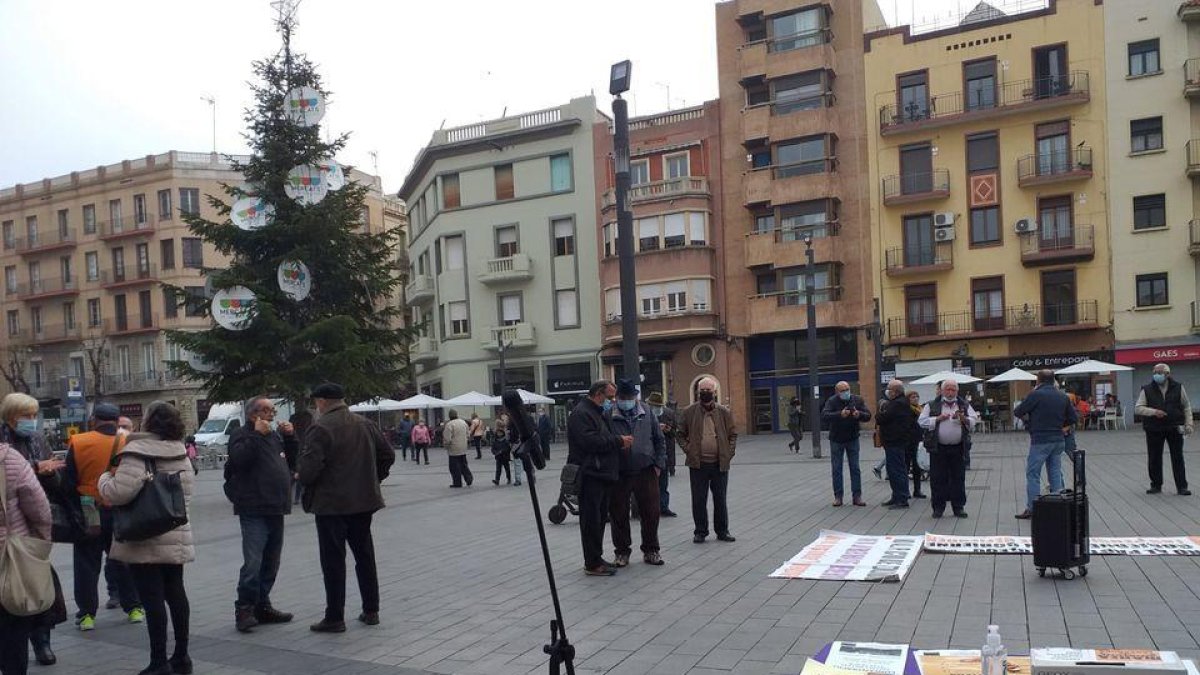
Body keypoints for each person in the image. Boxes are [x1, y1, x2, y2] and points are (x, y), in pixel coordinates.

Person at [98, 401, 195, 675]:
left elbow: (118, 493)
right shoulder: (181, 453)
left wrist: (104, 479)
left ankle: (158, 661)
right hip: (174, 531)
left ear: (148, 422)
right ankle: (182, 657)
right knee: (176, 593)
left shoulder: (137, 452)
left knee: (152, 599)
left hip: (144, 534)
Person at [297, 383, 395, 633]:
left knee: (333, 561)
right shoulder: (365, 424)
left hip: (331, 504)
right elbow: (387, 455)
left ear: (321, 402)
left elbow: (308, 471)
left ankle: (335, 616)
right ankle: (371, 610)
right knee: (365, 556)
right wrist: (373, 479)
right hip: (362, 502)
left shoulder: (320, 427)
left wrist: (303, 477)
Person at [64, 402, 143, 631]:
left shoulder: (79, 442)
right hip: (119, 509)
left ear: (94, 420)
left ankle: (87, 615)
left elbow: (68, 482)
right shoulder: (129, 442)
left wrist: (74, 510)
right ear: (117, 421)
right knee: (123, 559)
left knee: (86, 564)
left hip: (89, 509)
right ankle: (134, 608)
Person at [0, 393, 65, 666]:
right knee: (13, 595)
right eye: (26, 415)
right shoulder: (5, 447)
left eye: (34, 415)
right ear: (11, 417)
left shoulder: (38, 439)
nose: (31, 420)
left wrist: (49, 473)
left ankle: (42, 642)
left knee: (36, 588)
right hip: (16, 536)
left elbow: (54, 485)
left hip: (27, 539)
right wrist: (36, 467)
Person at [224, 397, 298, 632]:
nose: (272, 414)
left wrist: (290, 437)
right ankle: (244, 608)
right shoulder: (241, 434)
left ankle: (262, 605)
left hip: (276, 506)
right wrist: (256, 435)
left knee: (271, 561)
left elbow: (292, 462)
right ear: (252, 414)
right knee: (253, 562)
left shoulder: (274, 436)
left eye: (272, 410)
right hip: (253, 506)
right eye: (266, 410)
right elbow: (239, 460)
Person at [0, 437, 52, 675]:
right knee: (13, 628)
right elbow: (39, 509)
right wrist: (39, 543)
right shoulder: (10, 459)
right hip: (10, 557)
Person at [567, 380, 629, 576]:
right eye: (610, 397)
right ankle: (592, 563)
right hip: (590, 475)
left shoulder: (597, 412)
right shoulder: (581, 413)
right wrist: (618, 441)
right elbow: (590, 441)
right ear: (598, 394)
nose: (612, 401)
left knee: (600, 519)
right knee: (591, 521)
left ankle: (596, 557)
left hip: (601, 474)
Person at [607, 380, 667, 567]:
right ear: (617, 398)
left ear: (635, 397)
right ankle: (622, 552)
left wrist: (658, 464)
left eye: (630, 397)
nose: (626, 401)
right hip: (620, 472)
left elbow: (659, 439)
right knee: (618, 513)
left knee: (651, 512)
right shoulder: (608, 415)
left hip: (646, 470)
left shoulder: (647, 412)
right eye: (623, 397)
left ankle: (651, 550)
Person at [678, 378, 737, 543]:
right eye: (702, 390)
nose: (705, 393)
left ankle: (722, 531)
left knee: (720, 499)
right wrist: (688, 449)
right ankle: (700, 531)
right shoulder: (689, 412)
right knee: (698, 499)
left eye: (708, 390)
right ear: (698, 392)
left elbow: (733, 434)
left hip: (719, 463)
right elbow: (680, 434)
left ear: (714, 392)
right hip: (698, 464)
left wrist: (729, 452)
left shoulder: (723, 412)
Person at [1013, 370, 1077, 519]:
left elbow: (1018, 411)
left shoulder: (1036, 395)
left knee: (1033, 474)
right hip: (1058, 439)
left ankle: (1033, 509)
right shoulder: (1063, 396)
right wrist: (1061, 427)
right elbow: (1073, 418)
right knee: (1055, 473)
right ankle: (1059, 507)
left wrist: (1029, 421)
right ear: (1053, 380)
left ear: (1038, 380)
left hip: (1040, 439)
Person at [918, 380, 979, 518]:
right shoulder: (931, 404)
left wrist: (963, 418)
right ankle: (938, 508)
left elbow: (974, 421)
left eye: (953, 390)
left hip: (958, 447)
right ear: (942, 390)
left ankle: (958, 507)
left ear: (957, 391)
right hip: (938, 448)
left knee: (958, 478)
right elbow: (921, 421)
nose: (950, 393)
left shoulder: (963, 404)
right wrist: (937, 419)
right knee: (938, 478)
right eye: (948, 389)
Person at [1136, 363, 1193, 496]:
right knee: (1154, 457)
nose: (1157, 375)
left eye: (1160, 373)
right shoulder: (1146, 389)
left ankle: (1182, 486)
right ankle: (1156, 485)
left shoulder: (1178, 387)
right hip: (1154, 428)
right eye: (1155, 372)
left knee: (1177, 457)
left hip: (1174, 426)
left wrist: (1189, 423)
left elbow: (1186, 406)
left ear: (1167, 374)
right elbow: (1138, 408)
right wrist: (1154, 412)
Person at [821, 382, 871, 507]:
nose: (846, 392)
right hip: (836, 439)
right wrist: (839, 414)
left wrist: (859, 414)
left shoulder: (857, 400)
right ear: (837, 392)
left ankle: (857, 496)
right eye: (842, 390)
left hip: (852, 438)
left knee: (855, 468)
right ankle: (838, 497)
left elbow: (868, 415)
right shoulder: (832, 401)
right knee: (837, 469)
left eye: (847, 389)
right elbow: (825, 415)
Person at [875, 379, 916, 510]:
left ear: (895, 391)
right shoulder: (900, 402)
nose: (887, 391)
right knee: (893, 470)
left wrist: (880, 412)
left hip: (895, 441)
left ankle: (902, 498)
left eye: (889, 389)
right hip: (894, 441)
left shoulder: (897, 403)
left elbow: (881, 418)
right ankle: (896, 496)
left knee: (897, 470)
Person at [646, 392, 678, 517]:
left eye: (658, 406)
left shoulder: (669, 414)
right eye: (654, 406)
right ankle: (649, 508)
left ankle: (664, 507)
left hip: (664, 453)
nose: (656, 408)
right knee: (648, 484)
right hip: (648, 454)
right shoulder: (643, 414)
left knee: (663, 483)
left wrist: (668, 430)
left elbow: (675, 432)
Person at [442, 410, 473, 488]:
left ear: (450, 416)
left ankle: (457, 482)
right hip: (463, 447)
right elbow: (468, 434)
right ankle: (468, 478)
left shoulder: (449, 424)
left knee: (454, 467)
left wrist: (446, 446)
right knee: (464, 464)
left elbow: (447, 438)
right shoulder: (463, 422)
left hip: (454, 449)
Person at [906, 391, 927, 500]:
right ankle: (905, 491)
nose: (915, 399)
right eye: (913, 397)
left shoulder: (920, 409)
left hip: (918, 441)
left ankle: (917, 490)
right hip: (908, 442)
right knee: (906, 466)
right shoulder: (906, 410)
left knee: (917, 466)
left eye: (917, 396)